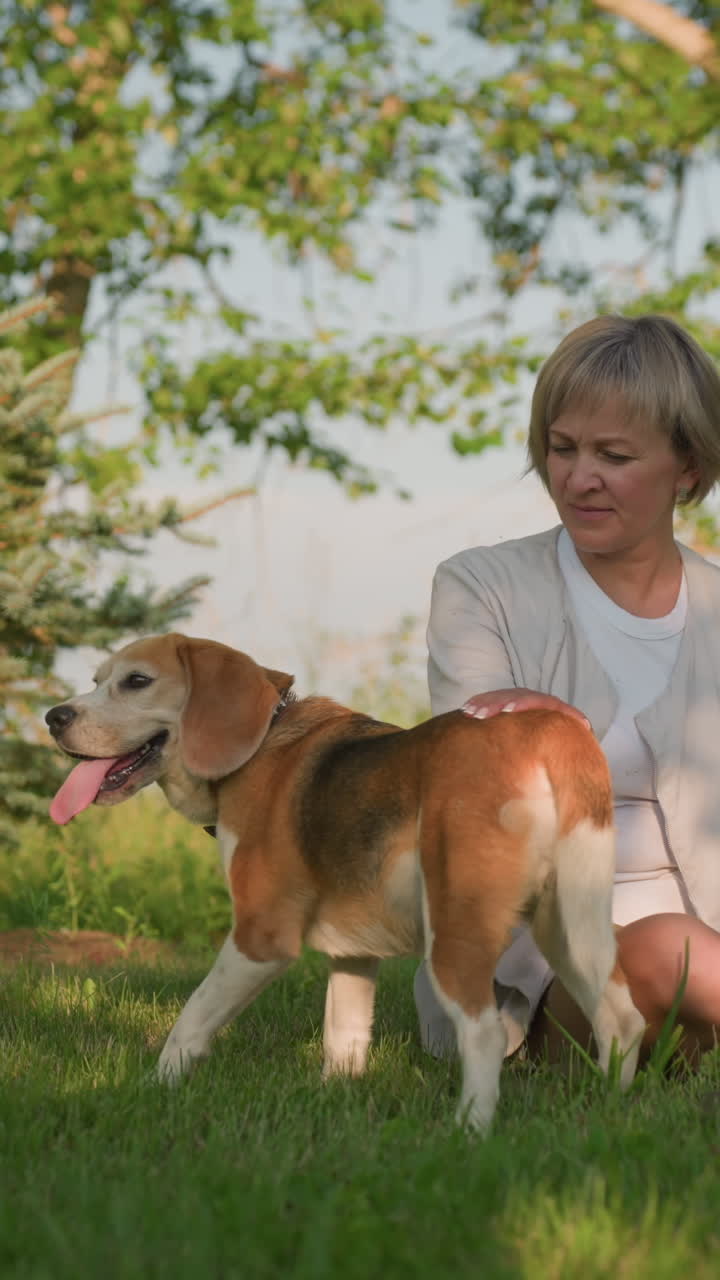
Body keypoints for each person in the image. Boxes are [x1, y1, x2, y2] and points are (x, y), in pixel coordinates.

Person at [414, 313, 720, 1067]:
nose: (579, 477)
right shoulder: (480, 587)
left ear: (687, 467)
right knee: (666, 948)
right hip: (542, 975)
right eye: (562, 448)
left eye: (614, 455)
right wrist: (541, 739)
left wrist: (558, 723)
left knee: (686, 950)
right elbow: (479, 784)